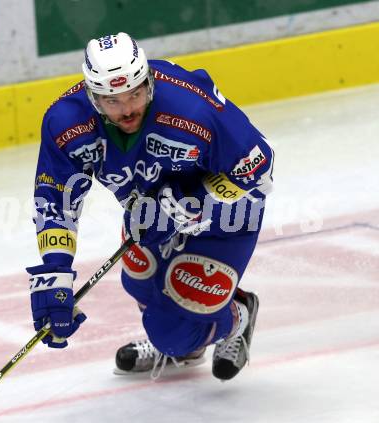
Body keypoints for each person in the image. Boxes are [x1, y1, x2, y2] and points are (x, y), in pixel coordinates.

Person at [27, 32, 274, 381]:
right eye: (113, 101)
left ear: (149, 82)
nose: (127, 108)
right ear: (94, 98)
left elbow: (259, 166)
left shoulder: (191, 109)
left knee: (171, 331)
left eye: (136, 93)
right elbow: (55, 199)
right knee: (140, 282)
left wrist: (196, 197)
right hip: (149, 211)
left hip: (226, 217)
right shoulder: (67, 123)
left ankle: (238, 315)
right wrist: (55, 270)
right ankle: (189, 344)